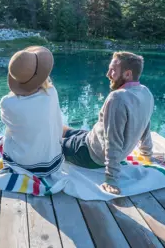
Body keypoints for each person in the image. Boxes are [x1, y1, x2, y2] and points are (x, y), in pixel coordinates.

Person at [61, 51, 155, 195]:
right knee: (65, 130)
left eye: (113, 70)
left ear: (128, 74)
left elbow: (113, 141)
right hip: (93, 138)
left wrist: (111, 179)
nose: (108, 74)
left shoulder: (117, 98)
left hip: (90, 154)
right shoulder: (145, 92)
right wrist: (147, 153)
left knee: (51, 143)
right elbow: (145, 125)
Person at [0, 46, 64, 177]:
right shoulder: (51, 93)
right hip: (53, 163)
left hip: (25, 165)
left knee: (8, 133)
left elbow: (9, 125)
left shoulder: (7, 103)